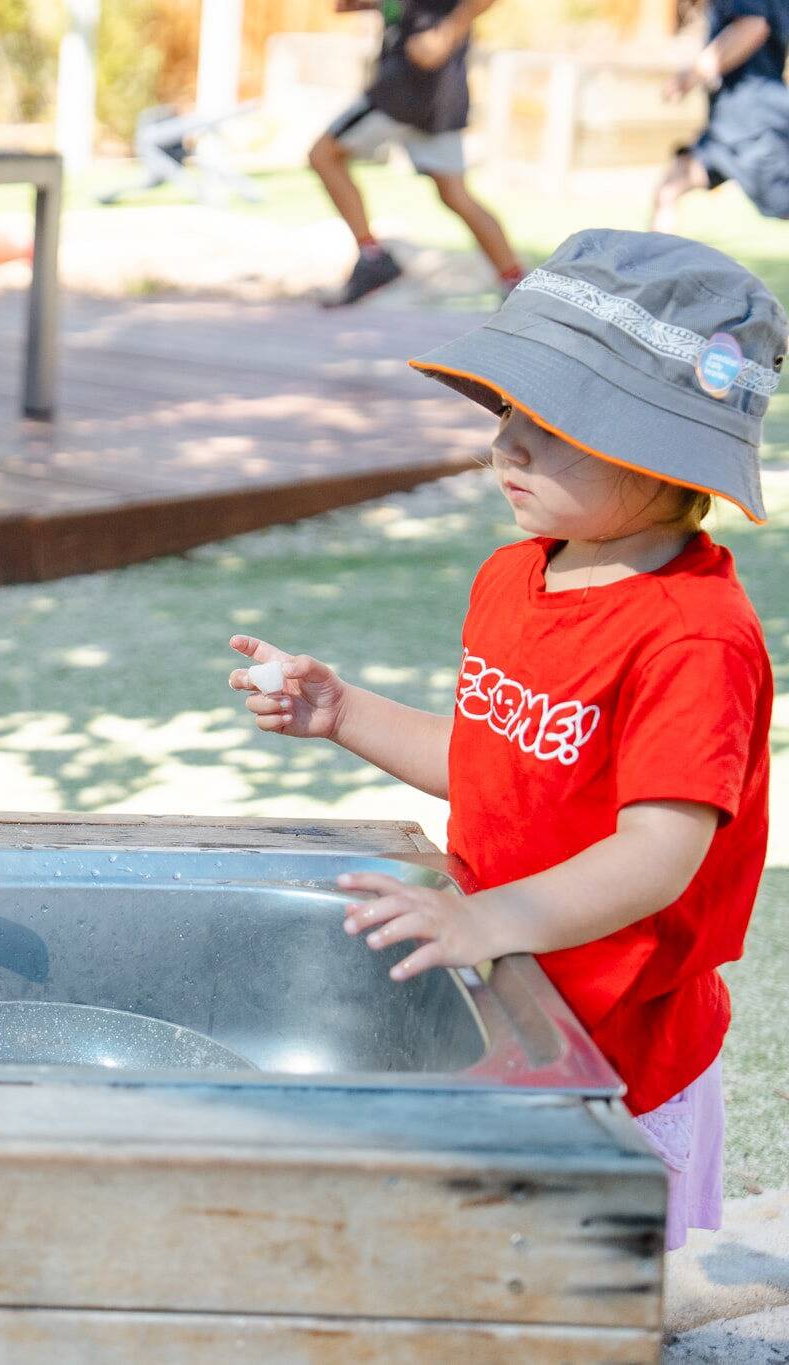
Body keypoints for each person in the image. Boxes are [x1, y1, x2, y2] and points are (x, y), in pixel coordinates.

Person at [230, 230, 779, 1249]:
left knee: (610, 1301)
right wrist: (343, 713)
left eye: (552, 424)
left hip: (624, 1058)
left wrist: (487, 922)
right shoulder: (509, 577)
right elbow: (496, 770)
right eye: (503, 414)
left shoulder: (693, 635)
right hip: (515, 1003)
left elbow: (657, 856)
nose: (504, 447)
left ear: (665, 450)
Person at [311, 0, 524, 305]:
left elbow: (434, 44)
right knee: (454, 193)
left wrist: (453, 26)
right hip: (437, 98)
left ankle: (373, 257)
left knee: (323, 155)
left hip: (405, 93)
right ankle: (516, 280)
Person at [653, 0, 789, 228]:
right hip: (728, 124)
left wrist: (692, 75)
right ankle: (653, 264)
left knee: (782, 204)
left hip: (753, 123)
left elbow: (753, 26)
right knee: (668, 189)